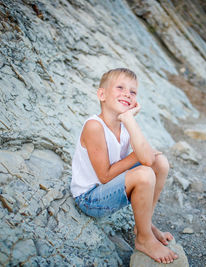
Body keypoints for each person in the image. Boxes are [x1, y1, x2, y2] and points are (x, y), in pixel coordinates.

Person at [71, 68, 178, 263]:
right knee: (144, 174)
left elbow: (149, 159)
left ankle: (143, 226)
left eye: (133, 92)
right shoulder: (94, 126)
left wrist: (129, 119)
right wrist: (135, 157)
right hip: (90, 199)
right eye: (120, 87)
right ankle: (144, 240)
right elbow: (104, 176)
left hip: (108, 189)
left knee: (160, 163)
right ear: (102, 94)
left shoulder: (125, 126)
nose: (127, 94)